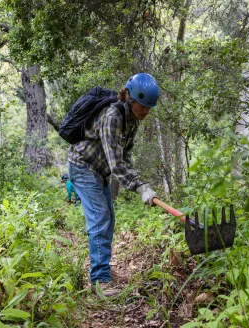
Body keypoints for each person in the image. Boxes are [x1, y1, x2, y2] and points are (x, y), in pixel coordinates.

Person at [68, 73, 159, 297]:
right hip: (82, 167)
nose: (146, 112)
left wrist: (142, 184)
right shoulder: (112, 116)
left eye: (149, 108)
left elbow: (125, 158)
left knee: (109, 219)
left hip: (99, 171)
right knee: (100, 218)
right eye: (143, 106)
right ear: (130, 98)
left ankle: (103, 270)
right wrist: (139, 187)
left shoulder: (133, 121)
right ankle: (100, 282)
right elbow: (116, 164)